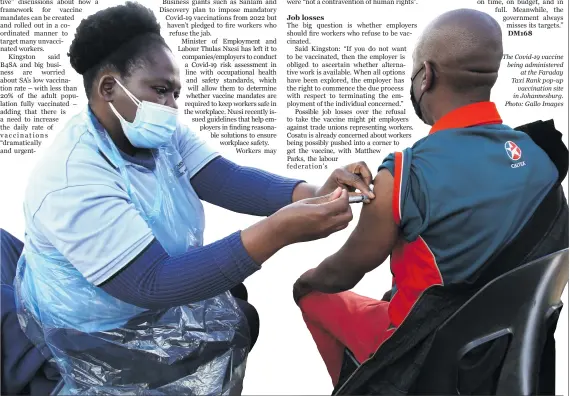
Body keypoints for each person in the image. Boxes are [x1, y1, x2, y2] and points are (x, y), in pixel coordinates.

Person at [13, 2, 375, 393]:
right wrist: (278, 231)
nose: (171, 107)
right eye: (160, 90)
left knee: (234, 313)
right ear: (108, 87)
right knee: (230, 324)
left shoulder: (157, 136)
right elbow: (150, 283)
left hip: (141, 302)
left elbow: (227, 179)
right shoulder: (72, 178)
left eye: (175, 93)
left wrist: (316, 193)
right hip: (93, 331)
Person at [292, 8, 569, 389]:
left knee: (313, 294)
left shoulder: (406, 174)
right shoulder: (542, 157)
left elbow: (344, 272)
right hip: (502, 350)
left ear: (427, 76)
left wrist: (307, 280)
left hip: (423, 351)